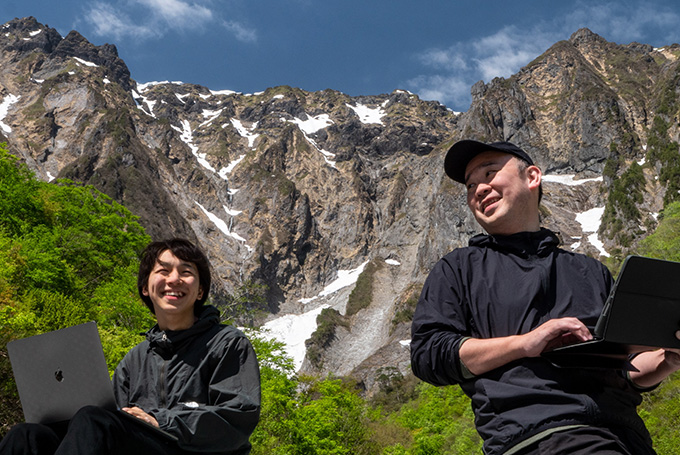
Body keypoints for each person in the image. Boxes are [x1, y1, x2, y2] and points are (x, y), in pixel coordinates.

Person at [410, 140, 680, 455]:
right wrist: (526, 343)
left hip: (628, 440)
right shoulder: (458, 268)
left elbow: (625, 372)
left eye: (490, 173)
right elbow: (428, 356)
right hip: (536, 438)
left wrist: (667, 359)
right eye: (471, 185)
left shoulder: (590, 271)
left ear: (532, 176)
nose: (479, 189)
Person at [0, 238, 261, 455]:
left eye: (186, 272)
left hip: (193, 451)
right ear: (146, 288)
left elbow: (236, 418)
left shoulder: (228, 344)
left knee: (95, 420)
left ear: (201, 291)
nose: (174, 279)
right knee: (27, 436)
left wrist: (161, 421)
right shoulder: (134, 360)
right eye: (163, 271)